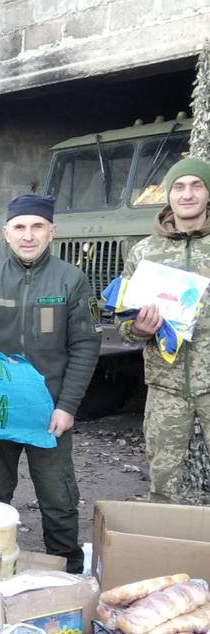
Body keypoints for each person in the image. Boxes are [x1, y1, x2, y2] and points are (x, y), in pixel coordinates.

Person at [0, 193, 101, 573]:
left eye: (37, 226)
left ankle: (68, 572)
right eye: (20, 227)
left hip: (50, 411)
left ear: (51, 232)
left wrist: (68, 405)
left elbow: (85, 347)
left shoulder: (71, 280)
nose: (29, 235)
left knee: (57, 497)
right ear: (6, 232)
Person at [117, 157, 210, 504]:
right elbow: (123, 321)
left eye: (196, 186)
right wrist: (138, 328)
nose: (187, 195)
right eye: (179, 187)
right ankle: (163, 553)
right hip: (166, 385)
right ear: (168, 195)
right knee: (163, 482)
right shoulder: (144, 252)